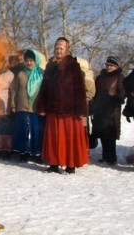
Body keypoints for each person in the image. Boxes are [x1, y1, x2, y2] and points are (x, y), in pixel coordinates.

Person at [35, 37, 89, 174]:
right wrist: (41, 106)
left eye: (61, 48)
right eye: (57, 48)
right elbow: (44, 87)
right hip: (53, 108)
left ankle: (70, 165)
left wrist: (81, 109)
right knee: (54, 138)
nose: (58, 51)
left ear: (66, 49)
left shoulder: (73, 65)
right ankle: (53, 164)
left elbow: (80, 88)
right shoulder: (50, 65)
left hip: (69, 109)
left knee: (69, 139)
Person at [9, 49, 45, 162]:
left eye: (31, 61)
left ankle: (36, 153)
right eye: (27, 61)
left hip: (35, 107)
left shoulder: (41, 74)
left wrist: (44, 106)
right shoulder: (21, 74)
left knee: (35, 131)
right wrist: (13, 105)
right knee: (22, 130)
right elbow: (15, 90)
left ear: (36, 61)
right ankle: (23, 152)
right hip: (22, 106)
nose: (29, 63)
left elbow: (44, 91)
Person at [91, 56, 125, 165]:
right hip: (99, 108)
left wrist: (115, 99)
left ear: (116, 67)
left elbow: (121, 92)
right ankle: (105, 156)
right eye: (108, 65)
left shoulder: (119, 77)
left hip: (111, 109)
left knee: (110, 135)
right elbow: (95, 92)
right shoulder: (100, 77)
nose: (109, 67)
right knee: (102, 133)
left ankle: (111, 157)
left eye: (112, 65)